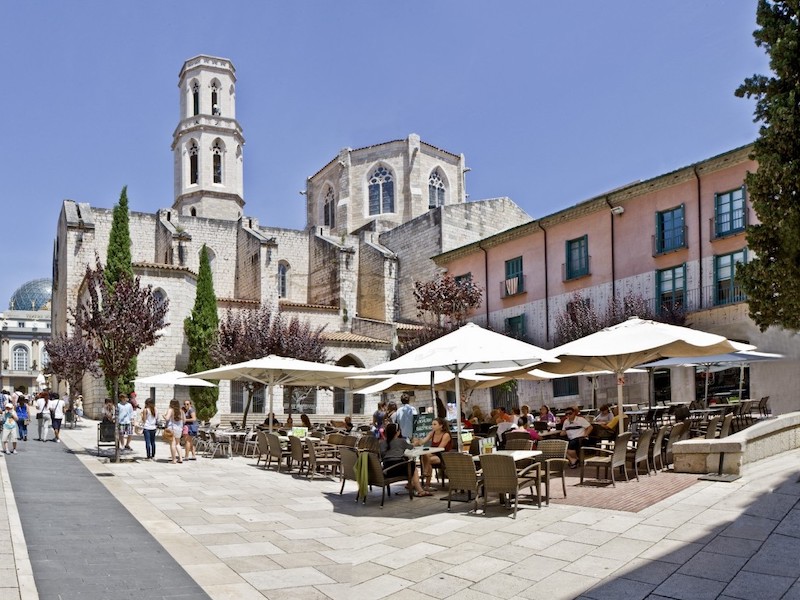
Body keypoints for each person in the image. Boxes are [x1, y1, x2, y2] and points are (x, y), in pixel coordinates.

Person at [380, 423, 430, 497]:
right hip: (398, 467)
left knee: (410, 465)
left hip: (387, 469)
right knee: (412, 465)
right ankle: (420, 490)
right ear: (397, 432)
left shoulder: (382, 443)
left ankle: (412, 485)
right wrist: (416, 442)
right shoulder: (401, 441)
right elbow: (411, 447)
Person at [413, 417, 452, 490]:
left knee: (426, 456)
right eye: (432, 424)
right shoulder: (432, 433)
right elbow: (423, 442)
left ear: (441, 426)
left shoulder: (446, 435)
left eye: (434, 424)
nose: (432, 426)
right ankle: (427, 482)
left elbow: (440, 449)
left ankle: (425, 474)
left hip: (443, 456)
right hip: (433, 455)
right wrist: (417, 441)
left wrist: (428, 452)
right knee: (426, 457)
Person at [165, 399, 184, 464]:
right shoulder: (181, 411)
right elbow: (184, 420)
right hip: (179, 429)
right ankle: (181, 458)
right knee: (178, 444)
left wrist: (164, 416)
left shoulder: (170, 410)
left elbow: (167, 418)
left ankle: (174, 460)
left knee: (172, 444)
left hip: (172, 428)